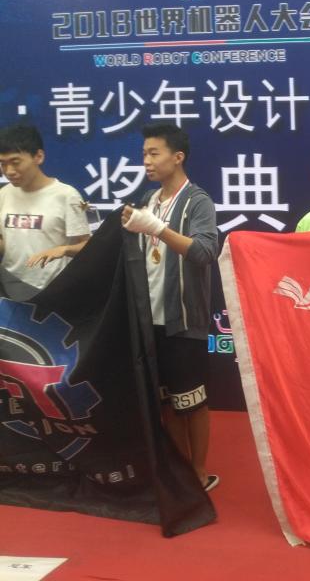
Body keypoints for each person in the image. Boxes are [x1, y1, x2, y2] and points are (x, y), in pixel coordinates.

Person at [121, 123, 220, 493]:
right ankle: (179, 470)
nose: (146, 161)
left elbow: (205, 252)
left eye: (154, 153)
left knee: (191, 401)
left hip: (184, 320)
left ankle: (199, 472)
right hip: (150, 319)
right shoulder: (149, 199)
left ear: (177, 157)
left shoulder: (198, 201)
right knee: (166, 402)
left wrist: (157, 229)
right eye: (144, 154)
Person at [0, 123, 90, 300]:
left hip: (53, 291)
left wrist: (64, 249)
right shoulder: (3, 194)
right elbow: (4, 240)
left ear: (38, 156)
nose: (9, 171)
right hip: (11, 288)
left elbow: (87, 245)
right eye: (3, 164)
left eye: (16, 162)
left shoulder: (66, 195)